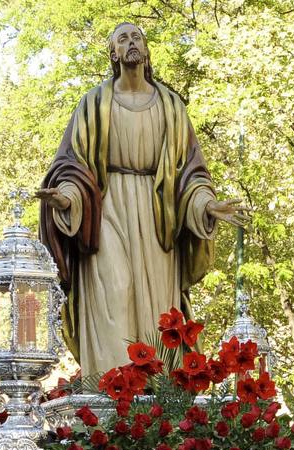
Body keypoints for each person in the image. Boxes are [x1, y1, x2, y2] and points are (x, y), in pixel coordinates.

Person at [36, 22, 244, 376]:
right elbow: (73, 165)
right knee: (114, 290)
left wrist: (205, 205)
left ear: (146, 50)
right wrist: (67, 200)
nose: (131, 43)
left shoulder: (171, 105)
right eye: (122, 39)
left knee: (156, 309)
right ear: (113, 54)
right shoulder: (92, 103)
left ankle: (157, 397)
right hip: (105, 211)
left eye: (136, 37)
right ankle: (111, 391)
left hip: (158, 214)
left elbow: (189, 172)